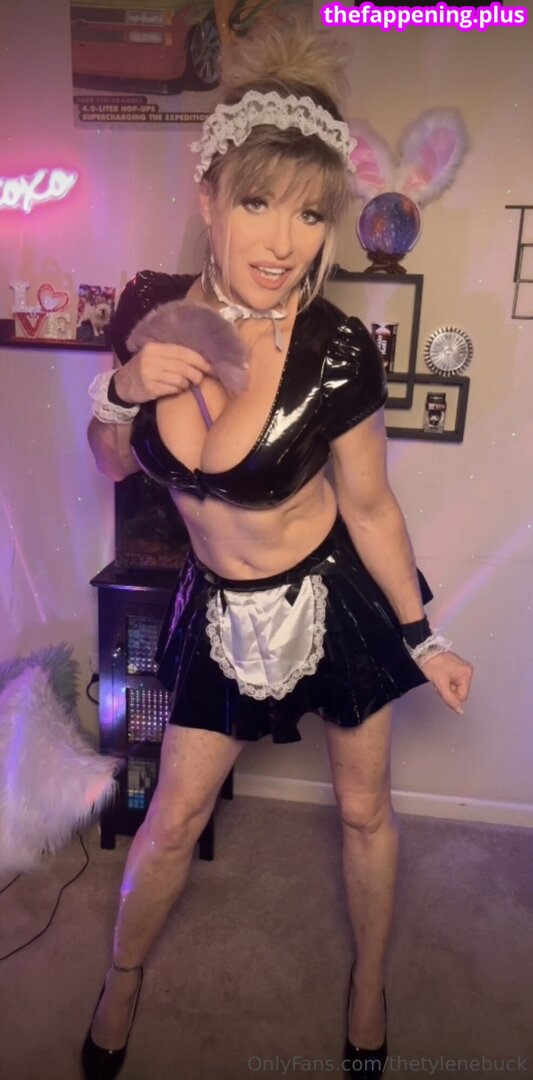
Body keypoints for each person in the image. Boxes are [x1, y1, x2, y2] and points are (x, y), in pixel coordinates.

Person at [84, 12, 473, 1078]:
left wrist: (423, 635)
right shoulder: (149, 308)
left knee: (364, 809)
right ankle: (121, 978)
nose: (282, 240)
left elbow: (372, 509)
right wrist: (120, 389)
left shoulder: (338, 350)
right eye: (257, 201)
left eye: (309, 212)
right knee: (171, 817)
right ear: (208, 199)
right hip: (214, 607)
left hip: (333, 599)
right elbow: (110, 461)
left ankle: (366, 986)